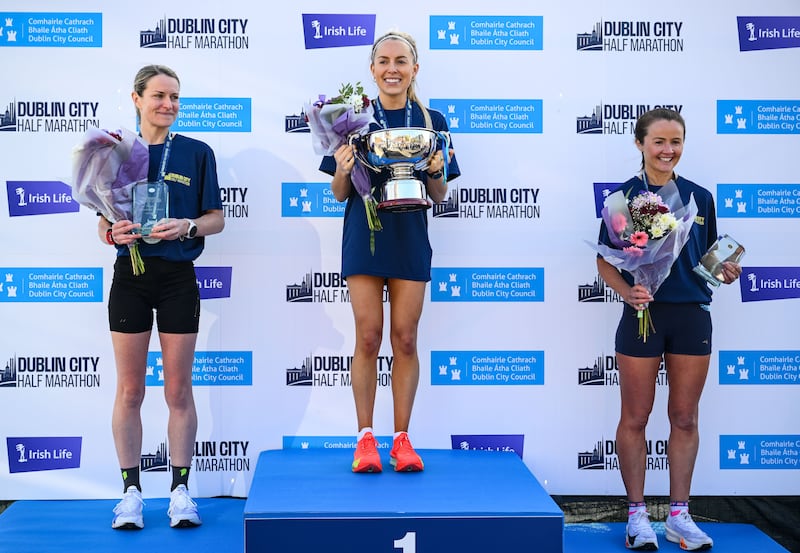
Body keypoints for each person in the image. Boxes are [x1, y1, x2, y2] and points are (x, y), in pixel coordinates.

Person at [596, 108, 741, 551]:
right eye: (658, 141)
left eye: (675, 141)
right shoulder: (623, 198)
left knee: (684, 417)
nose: (667, 150)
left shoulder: (700, 197)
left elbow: (709, 258)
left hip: (692, 314)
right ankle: (637, 516)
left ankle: (680, 515)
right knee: (636, 417)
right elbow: (606, 261)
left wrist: (726, 270)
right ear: (640, 144)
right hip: (644, 318)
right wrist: (628, 292)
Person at [319, 30, 460, 473]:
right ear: (372, 68)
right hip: (365, 230)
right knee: (367, 336)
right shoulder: (353, 117)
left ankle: (401, 439)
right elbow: (340, 192)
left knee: (405, 338)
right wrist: (343, 167)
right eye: (384, 61)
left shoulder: (432, 120)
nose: (392, 69)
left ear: (414, 69)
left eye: (402, 61)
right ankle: (365, 439)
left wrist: (435, 169)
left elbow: (438, 195)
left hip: (410, 235)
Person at [100, 64, 224, 529]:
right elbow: (101, 221)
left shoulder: (195, 152)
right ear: (137, 99)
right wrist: (113, 232)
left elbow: (216, 217)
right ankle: (130, 492)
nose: (168, 104)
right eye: (158, 96)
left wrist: (189, 225)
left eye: (175, 97)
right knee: (131, 390)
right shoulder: (114, 153)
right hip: (129, 279)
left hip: (177, 278)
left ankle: (180, 490)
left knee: (177, 390)